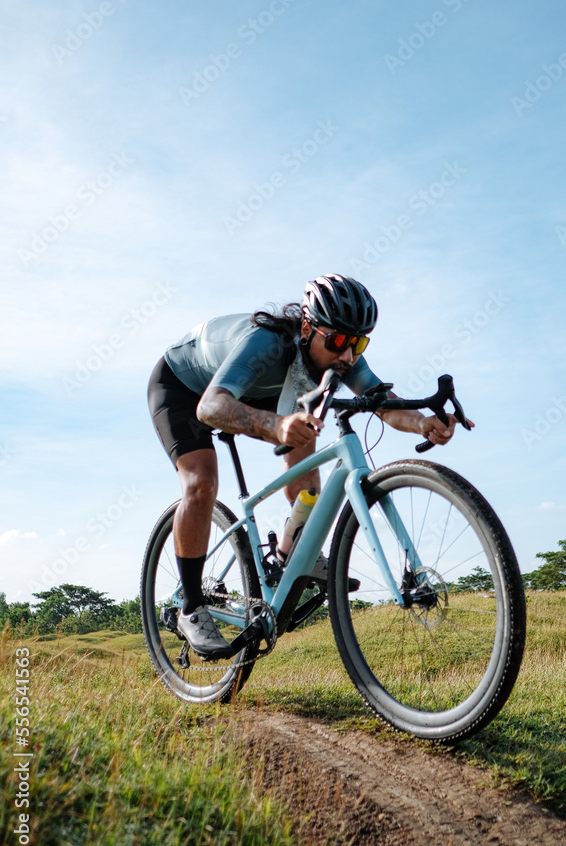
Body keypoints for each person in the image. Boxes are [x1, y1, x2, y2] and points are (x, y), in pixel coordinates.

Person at [147, 273, 462, 658]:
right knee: (201, 482)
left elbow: (382, 401)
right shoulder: (267, 343)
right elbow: (210, 407)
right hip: (186, 388)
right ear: (309, 329)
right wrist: (277, 425)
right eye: (339, 342)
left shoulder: (341, 358)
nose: (348, 356)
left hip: (256, 392)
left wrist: (422, 422)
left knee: (308, 456)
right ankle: (192, 607)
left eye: (359, 343)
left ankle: (292, 551)